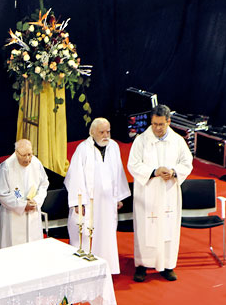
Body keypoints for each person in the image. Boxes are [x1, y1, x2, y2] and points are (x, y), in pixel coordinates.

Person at [127, 104, 193, 282]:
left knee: (168, 228)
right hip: (147, 193)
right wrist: (154, 171)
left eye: (161, 124)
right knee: (145, 229)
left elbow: (187, 163)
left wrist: (173, 172)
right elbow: (133, 164)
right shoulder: (141, 140)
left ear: (168, 122)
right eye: (154, 124)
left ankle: (167, 265)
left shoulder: (177, 141)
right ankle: (142, 265)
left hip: (168, 193)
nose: (157, 128)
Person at [64, 118, 130, 274]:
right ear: (92, 132)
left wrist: (119, 197)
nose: (106, 135)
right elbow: (75, 175)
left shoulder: (113, 147)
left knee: (106, 236)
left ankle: (106, 269)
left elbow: (118, 171)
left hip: (108, 203)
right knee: (86, 235)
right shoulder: (83, 149)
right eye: (101, 132)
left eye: (108, 132)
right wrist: (77, 202)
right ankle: (85, 271)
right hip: (89, 203)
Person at [0, 139, 49, 248]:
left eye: (30, 154)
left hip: (33, 213)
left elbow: (44, 184)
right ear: (16, 153)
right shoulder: (7, 166)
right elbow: (1, 193)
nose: (28, 159)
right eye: (24, 155)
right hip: (13, 216)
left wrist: (37, 201)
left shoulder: (36, 163)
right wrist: (22, 205)